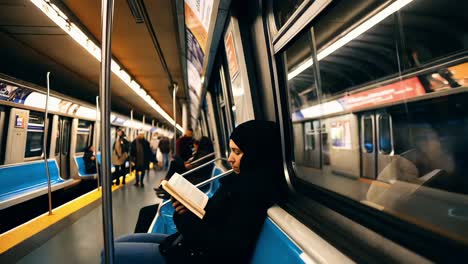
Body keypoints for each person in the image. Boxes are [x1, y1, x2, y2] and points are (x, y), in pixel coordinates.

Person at [110, 120, 285, 263]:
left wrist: (185, 218)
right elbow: (216, 218)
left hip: (194, 255)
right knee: (116, 243)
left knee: (110, 253)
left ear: (255, 154)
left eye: (237, 152)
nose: (230, 158)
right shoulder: (240, 182)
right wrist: (187, 209)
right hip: (188, 245)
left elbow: (225, 249)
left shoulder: (251, 194)